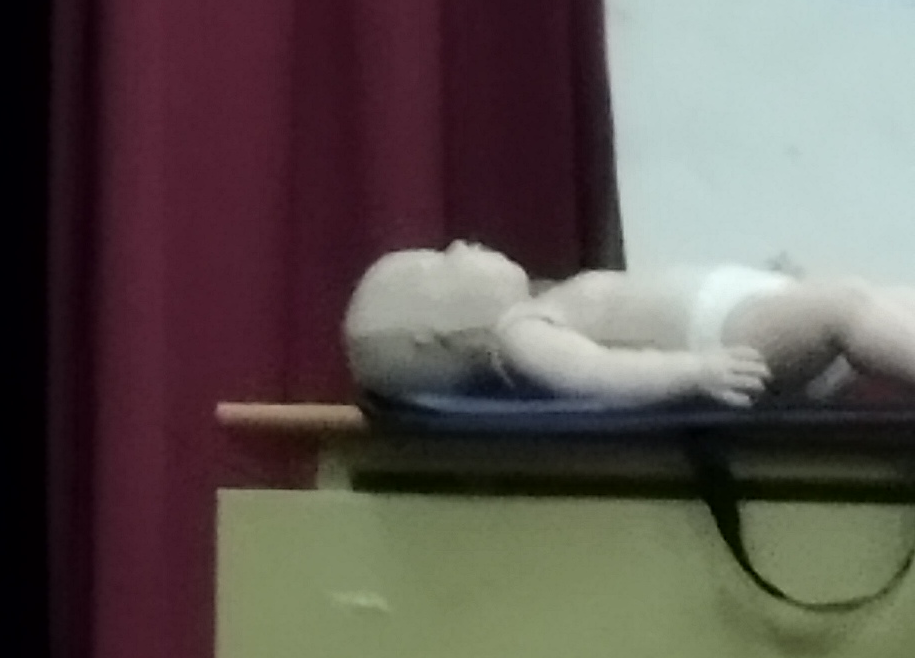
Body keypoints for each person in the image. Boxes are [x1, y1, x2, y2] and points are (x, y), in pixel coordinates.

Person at [342, 243, 915, 407]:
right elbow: (597, 372)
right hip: (728, 339)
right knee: (846, 308)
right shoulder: (523, 333)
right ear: (435, 334)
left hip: (743, 315)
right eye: (440, 263)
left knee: (877, 301)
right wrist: (693, 371)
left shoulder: (544, 305)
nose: (460, 246)